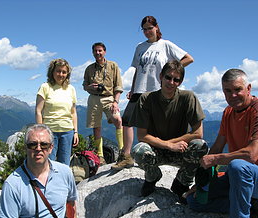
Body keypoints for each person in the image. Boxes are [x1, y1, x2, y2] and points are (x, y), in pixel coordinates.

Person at [187, 69, 258, 218]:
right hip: (238, 175)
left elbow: (252, 154)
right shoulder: (228, 112)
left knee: (238, 166)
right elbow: (217, 146)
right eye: (227, 91)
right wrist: (203, 181)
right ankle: (250, 208)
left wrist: (215, 160)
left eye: (237, 89)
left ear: (248, 88)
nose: (233, 95)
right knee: (194, 201)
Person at [0, 124, 93, 218]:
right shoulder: (13, 184)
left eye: (43, 144)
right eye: (32, 144)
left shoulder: (64, 172)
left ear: (51, 148)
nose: (38, 149)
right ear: (26, 147)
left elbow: (70, 202)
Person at [112, 15, 194, 171]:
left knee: (152, 124)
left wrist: (170, 72)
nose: (147, 31)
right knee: (127, 120)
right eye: (144, 29)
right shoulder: (139, 47)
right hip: (139, 89)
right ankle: (127, 156)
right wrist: (133, 88)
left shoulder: (166, 45)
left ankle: (157, 155)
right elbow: (137, 69)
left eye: (150, 28)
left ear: (157, 27)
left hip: (157, 89)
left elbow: (188, 59)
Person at [130, 60, 208, 200]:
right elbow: (141, 136)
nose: (171, 82)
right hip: (156, 150)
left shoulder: (188, 97)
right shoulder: (146, 99)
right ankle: (152, 176)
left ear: (180, 81)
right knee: (138, 151)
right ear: (161, 76)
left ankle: (181, 183)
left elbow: (198, 133)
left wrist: (174, 145)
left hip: (180, 150)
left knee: (200, 146)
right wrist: (168, 145)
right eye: (168, 77)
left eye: (176, 79)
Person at [83, 42, 123, 164]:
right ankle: (100, 156)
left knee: (118, 120)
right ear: (93, 52)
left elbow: (118, 86)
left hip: (109, 98)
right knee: (96, 126)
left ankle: (122, 151)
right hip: (94, 98)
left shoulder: (113, 66)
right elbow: (84, 86)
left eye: (100, 50)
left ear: (104, 51)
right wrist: (90, 86)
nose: (98, 53)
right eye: (95, 51)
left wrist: (116, 102)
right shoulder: (89, 69)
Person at [35, 58, 79, 166]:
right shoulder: (45, 87)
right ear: (52, 72)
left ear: (67, 74)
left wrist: (76, 132)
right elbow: (38, 111)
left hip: (67, 131)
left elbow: (73, 112)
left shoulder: (71, 89)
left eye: (64, 72)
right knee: (47, 163)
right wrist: (41, 131)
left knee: (64, 164)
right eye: (58, 71)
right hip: (49, 132)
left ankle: (61, 183)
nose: (61, 74)